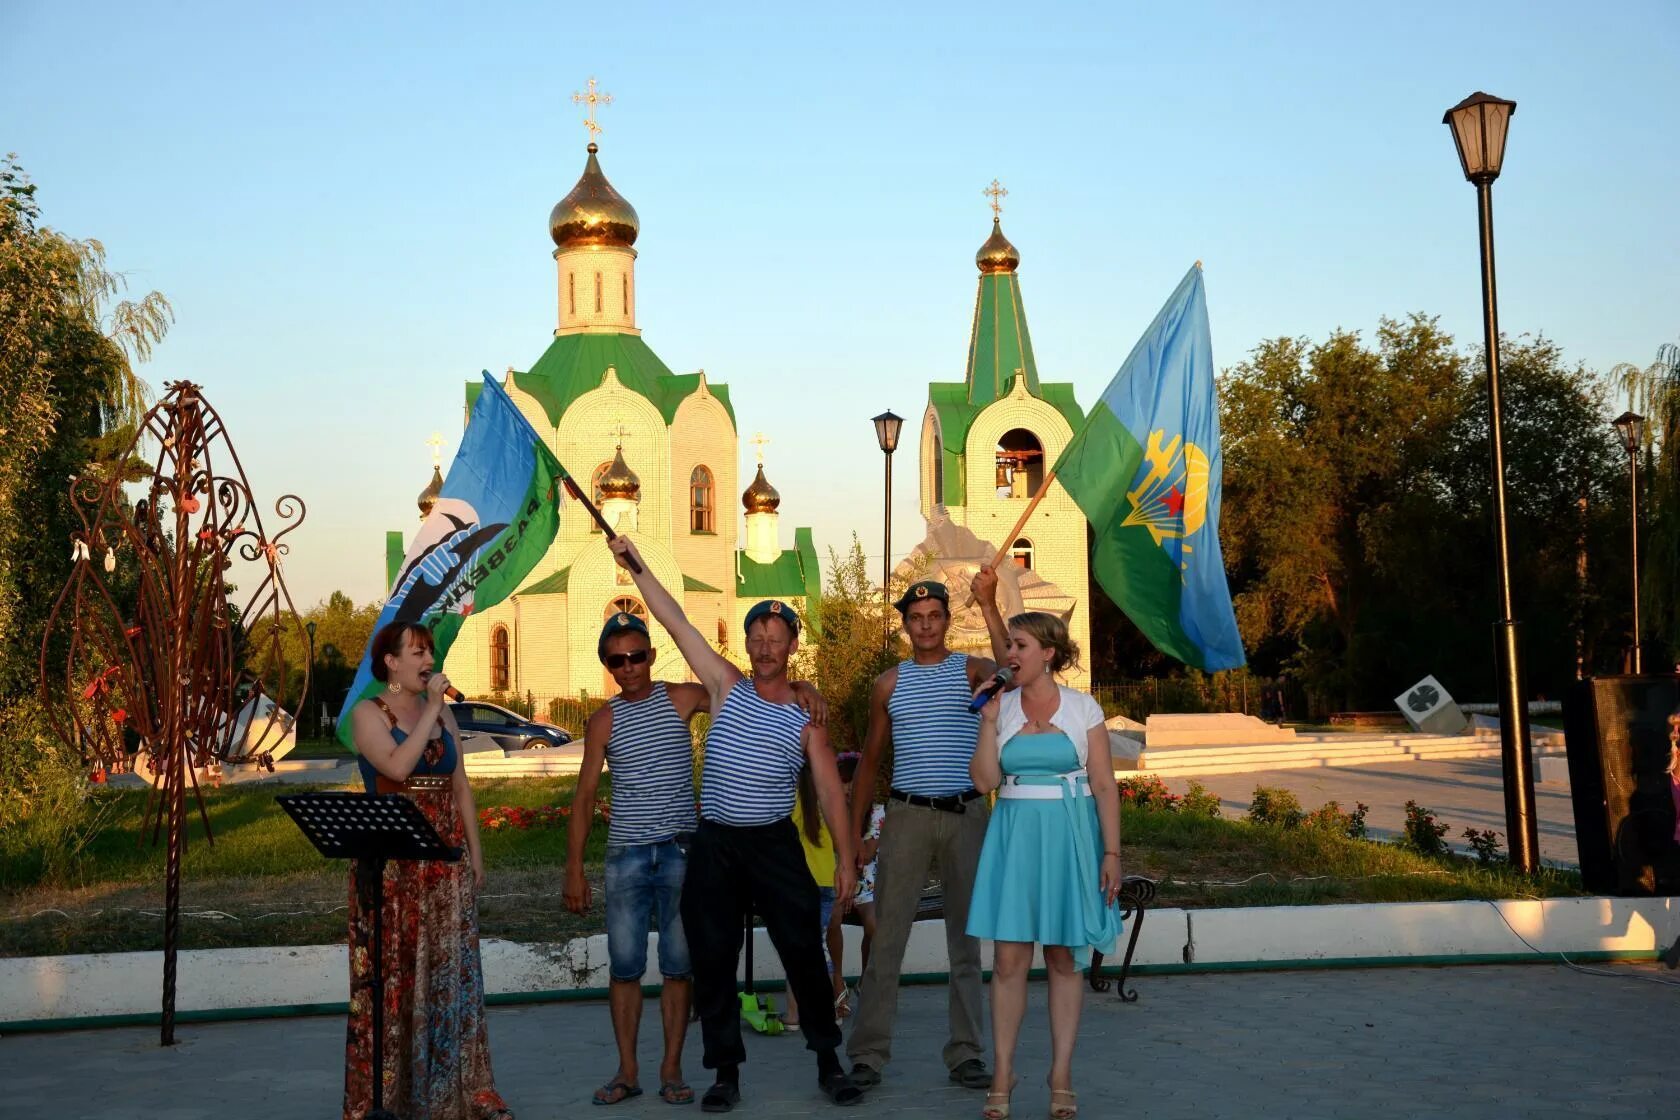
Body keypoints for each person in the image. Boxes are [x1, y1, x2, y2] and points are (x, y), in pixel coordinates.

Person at [609, 534, 862, 1112]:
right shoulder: (725, 686)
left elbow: (827, 789)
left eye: (777, 639)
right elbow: (676, 623)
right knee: (714, 958)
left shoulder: (806, 714)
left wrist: (847, 860)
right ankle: (725, 1072)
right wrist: (637, 566)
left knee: (804, 951)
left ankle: (829, 1061)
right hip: (716, 843)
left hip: (773, 845)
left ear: (793, 646)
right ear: (746, 642)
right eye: (758, 637)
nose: (766, 647)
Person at [563, 612, 828, 1106]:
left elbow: (757, 690)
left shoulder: (683, 698)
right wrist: (574, 867)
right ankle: (626, 1071)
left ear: (651, 656)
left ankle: (671, 1070)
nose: (629, 668)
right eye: (617, 660)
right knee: (624, 966)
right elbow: (583, 798)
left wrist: (803, 684)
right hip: (626, 855)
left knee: (680, 966)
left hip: (685, 850)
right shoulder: (603, 720)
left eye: (637, 656)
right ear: (608, 665)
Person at [344, 620, 512, 1120]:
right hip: (394, 868)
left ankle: (455, 1095)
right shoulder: (367, 713)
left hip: (445, 862)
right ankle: (394, 1100)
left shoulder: (441, 715)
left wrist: (475, 857)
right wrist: (432, 710)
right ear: (390, 662)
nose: (427, 660)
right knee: (397, 980)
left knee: (449, 976)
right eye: (416, 652)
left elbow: (460, 786)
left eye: (429, 651)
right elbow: (397, 768)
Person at [846, 576, 1004, 1092]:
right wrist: (853, 837)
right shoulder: (889, 684)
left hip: (966, 814)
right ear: (906, 624)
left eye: (934, 615)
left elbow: (1014, 672)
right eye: (916, 618)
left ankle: (966, 1054)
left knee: (966, 940)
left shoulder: (972, 671)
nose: (926, 625)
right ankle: (868, 1054)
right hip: (907, 816)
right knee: (887, 937)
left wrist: (989, 602)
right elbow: (869, 763)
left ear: (946, 620)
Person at [967, 610, 1123, 1120]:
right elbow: (985, 782)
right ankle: (1003, 1073)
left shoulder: (1082, 708)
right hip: (1014, 839)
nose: (1009, 655)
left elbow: (1103, 784)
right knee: (1009, 960)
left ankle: (1061, 1073)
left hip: (1068, 839)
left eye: (1020, 646)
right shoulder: (1002, 707)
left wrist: (1112, 853)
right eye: (1009, 646)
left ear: (1049, 653)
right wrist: (988, 722)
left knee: (1061, 957)